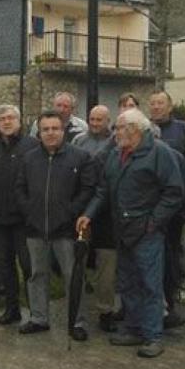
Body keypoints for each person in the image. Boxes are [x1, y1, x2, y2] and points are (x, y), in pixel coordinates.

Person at [77, 109, 185, 358]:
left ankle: (153, 336)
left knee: (149, 283)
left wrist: (153, 222)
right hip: (122, 230)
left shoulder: (159, 153)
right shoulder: (116, 155)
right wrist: (89, 214)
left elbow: (173, 192)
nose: (116, 133)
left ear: (136, 129)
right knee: (127, 282)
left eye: (121, 127)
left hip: (147, 231)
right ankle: (134, 328)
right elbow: (103, 190)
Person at [16, 111, 96, 338]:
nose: (50, 133)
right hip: (35, 228)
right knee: (37, 274)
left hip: (67, 230)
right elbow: (20, 189)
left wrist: (70, 212)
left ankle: (77, 322)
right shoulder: (29, 158)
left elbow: (87, 189)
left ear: (63, 131)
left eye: (55, 129)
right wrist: (29, 211)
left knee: (73, 276)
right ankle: (39, 318)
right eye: (45, 129)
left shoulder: (80, 157)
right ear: (39, 133)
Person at [0, 105, 40, 324]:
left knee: (29, 266)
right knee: (5, 265)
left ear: (19, 121)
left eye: (11, 117)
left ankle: (37, 312)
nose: (6, 121)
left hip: (23, 219)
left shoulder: (32, 146)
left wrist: (30, 208)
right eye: (2, 118)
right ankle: (12, 310)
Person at [147, 91, 185, 319]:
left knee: (172, 251)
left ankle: (173, 292)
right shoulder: (142, 128)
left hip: (174, 206)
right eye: (152, 103)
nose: (156, 107)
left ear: (170, 107)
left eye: (161, 103)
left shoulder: (183, 130)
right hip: (148, 206)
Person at [71, 105, 118, 332]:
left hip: (108, 213)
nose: (95, 123)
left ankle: (105, 310)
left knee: (107, 266)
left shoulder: (118, 143)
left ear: (109, 121)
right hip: (84, 209)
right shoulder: (79, 141)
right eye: (92, 119)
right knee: (79, 261)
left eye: (100, 119)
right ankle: (77, 309)